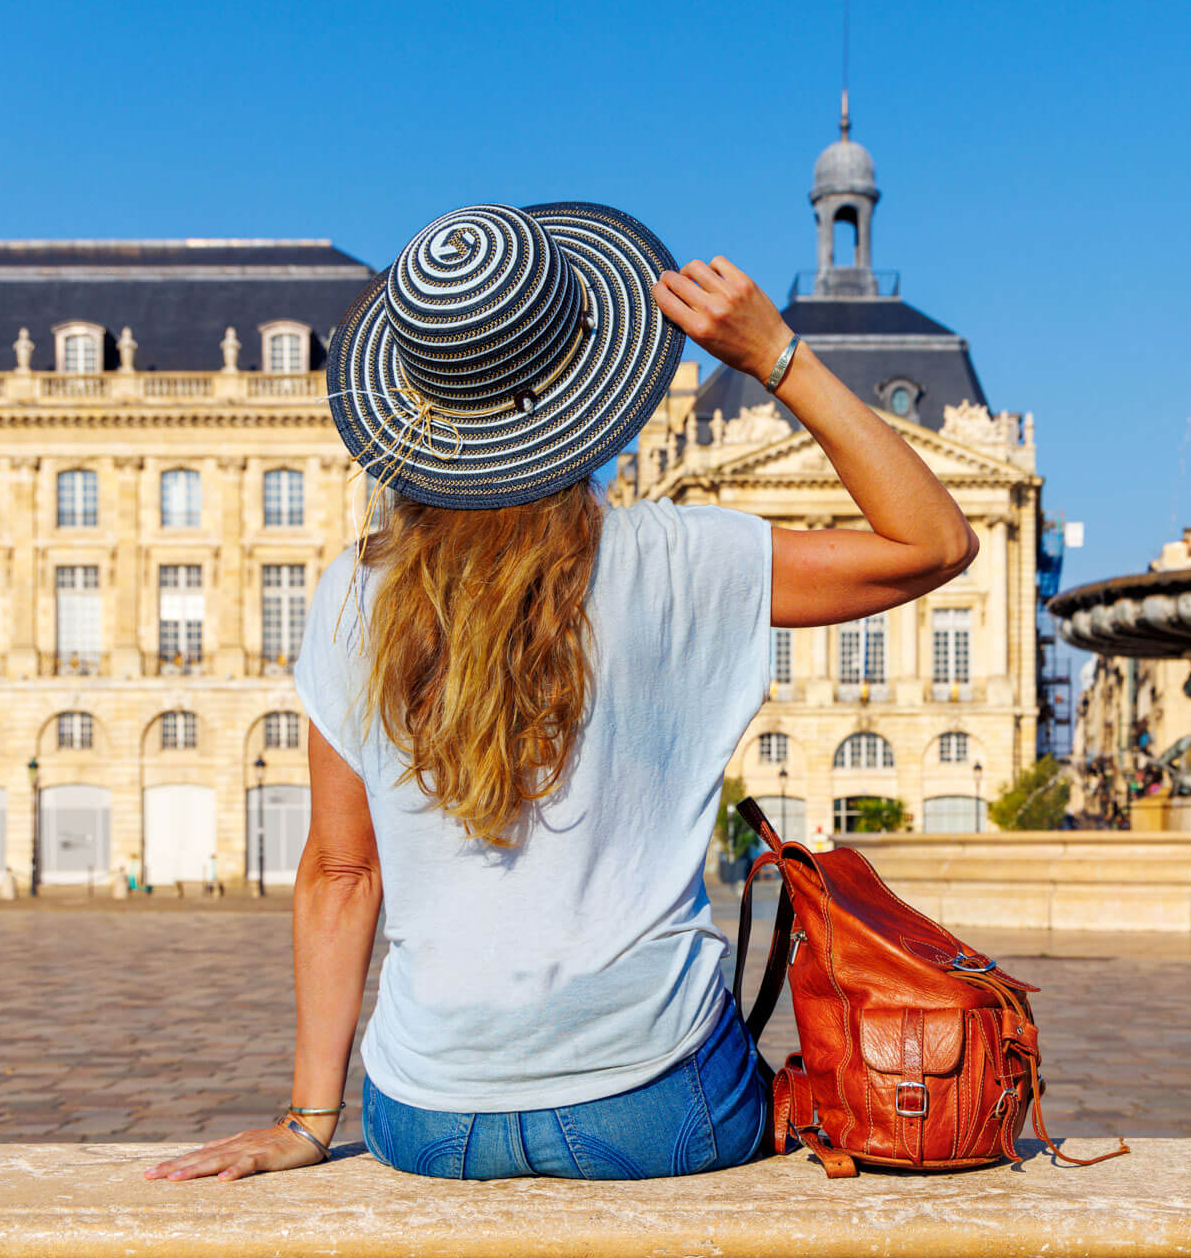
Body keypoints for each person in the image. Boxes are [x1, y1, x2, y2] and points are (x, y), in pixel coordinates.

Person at [146, 202, 975, 1184]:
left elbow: (339, 874)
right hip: (654, 1104)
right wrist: (775, 353)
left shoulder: (348, 596)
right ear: (587, 382)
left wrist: (304, 1117)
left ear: (420, 403)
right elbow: (934, 540)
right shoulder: (679, 558)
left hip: (426, 1113)